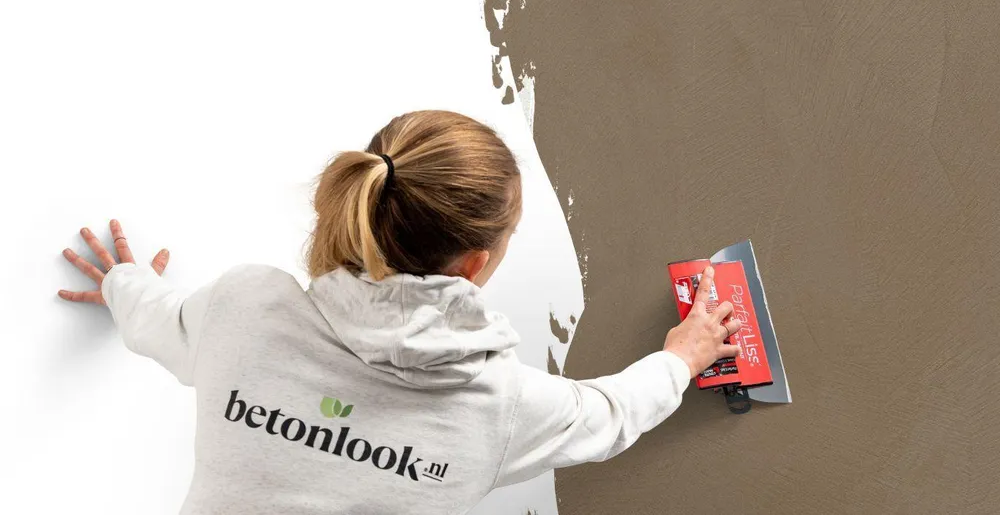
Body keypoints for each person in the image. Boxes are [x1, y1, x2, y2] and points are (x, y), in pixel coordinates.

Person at [56, 110, 741, 513]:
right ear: (475, 263)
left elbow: (159, 321)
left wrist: (121, 282)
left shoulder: (243, 308)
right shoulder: (501, 405)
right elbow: (610, 414)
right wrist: (683, 356)